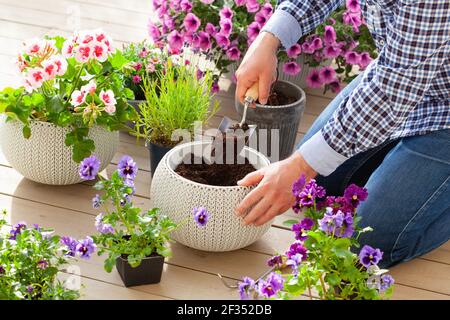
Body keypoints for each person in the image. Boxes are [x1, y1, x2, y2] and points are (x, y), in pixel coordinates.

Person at [234, 0, 449, 267]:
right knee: (316, 190)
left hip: (433, 102)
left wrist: (301, 164)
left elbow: (391, 92)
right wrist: (268, 40)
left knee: (367, 242)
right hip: (402, 74)